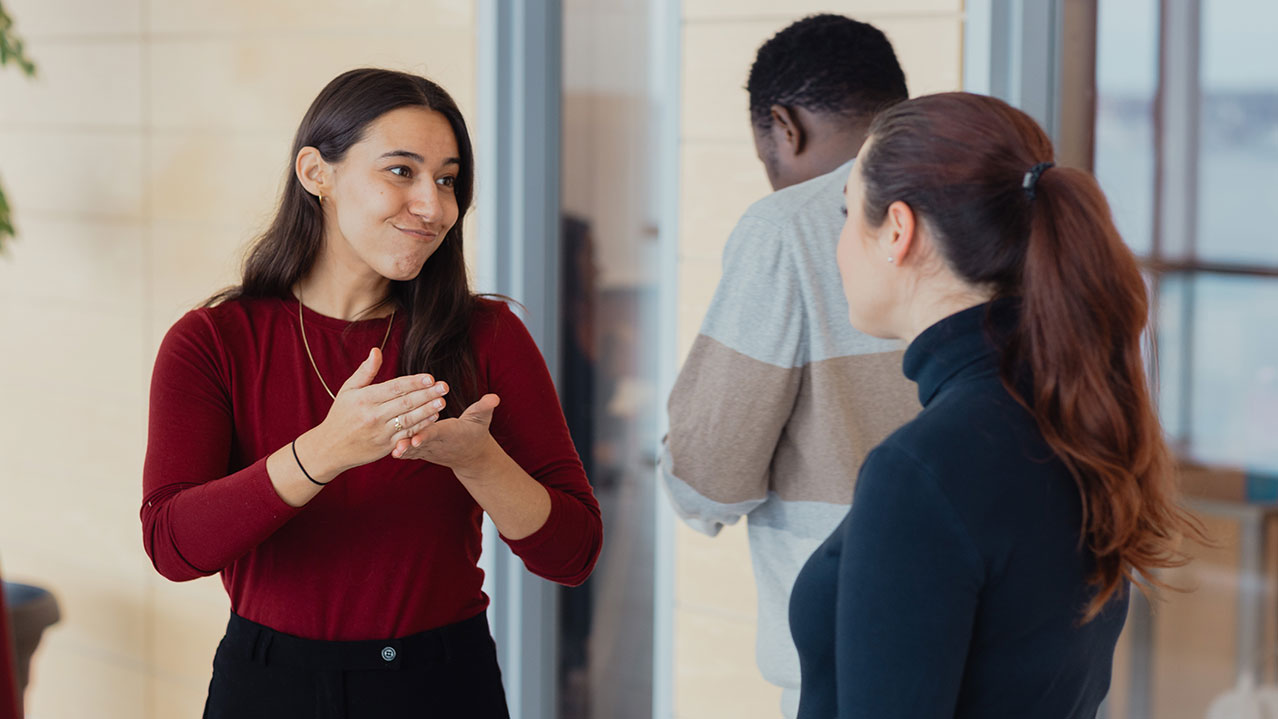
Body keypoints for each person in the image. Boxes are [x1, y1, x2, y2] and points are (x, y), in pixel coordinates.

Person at [140, 68, 603, 719]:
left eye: (446, 179)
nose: (435, 205)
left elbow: (573, 552)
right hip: (269, 686)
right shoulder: (214, 341)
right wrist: (322, 452)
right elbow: (171, 545)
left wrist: (478, 460)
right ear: (315, 172)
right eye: (401, 171)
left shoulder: (487, 335)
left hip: (443, 685)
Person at [789, 91, 1206, 718]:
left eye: (849, 214)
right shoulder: (1071, 417)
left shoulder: (924, 471)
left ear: (898, 231)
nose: (840, 246)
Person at [658, 14, 920, 717]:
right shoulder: (994, 205)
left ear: (783, 126)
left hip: (851, 661)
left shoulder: (790, 227)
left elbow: (707, 475)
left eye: (763, 153)